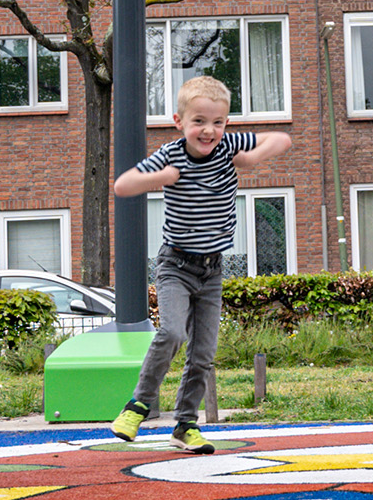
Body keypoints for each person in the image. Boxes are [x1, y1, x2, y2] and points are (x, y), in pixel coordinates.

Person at [109, 75, 291, 454]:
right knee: (173, 333)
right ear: (179, 121)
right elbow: (123, 185)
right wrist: (162, 178)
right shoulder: (171, 156)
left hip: (212, 270)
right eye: (199, 122)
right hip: (175, 265)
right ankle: (137, 404)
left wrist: (255, 156)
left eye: (218, 122)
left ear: (226, 124)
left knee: (204, 353)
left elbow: (282, 139)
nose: (208, 131)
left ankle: (185, 425)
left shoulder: (228, 146)